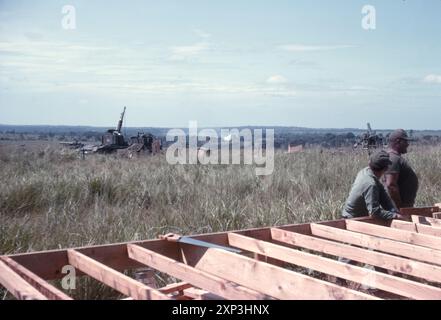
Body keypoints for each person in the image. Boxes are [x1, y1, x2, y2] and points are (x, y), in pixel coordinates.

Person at [342, 150, 403, 220]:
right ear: (385, 169)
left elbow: (383, 196)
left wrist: (393, 211)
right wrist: (394, 216)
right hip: (353, 219)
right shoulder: (371, 184)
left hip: (353, 216)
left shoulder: (366, 171)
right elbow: (374, 213)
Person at [383, 129, 419, 208]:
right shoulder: (393, 158)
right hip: (398, 209)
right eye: (405, 141)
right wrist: (400, 207)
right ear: (398, 141)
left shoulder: (395, 158)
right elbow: (391, 185)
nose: (407, 144)